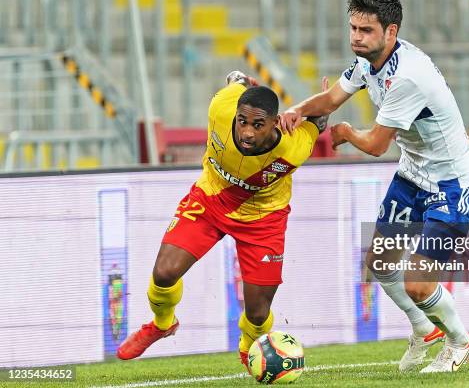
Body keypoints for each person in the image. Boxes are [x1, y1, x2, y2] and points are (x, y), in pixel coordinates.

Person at [280, 0, 469, 373]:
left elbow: (376, 144)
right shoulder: (368, 64)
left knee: (418, 284)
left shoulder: (407, 76)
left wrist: (343, 132)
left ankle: (460, 341)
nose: (356, 36)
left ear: (390, 32)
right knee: (380, 260)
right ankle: (424, 330)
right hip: (413, 174)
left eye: (366, 30)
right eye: (353, 28)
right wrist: (295, 109)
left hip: (453, 183)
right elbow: (329, 100)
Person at [117, 71, 330, 371]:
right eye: (243, 121)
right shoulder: (221, 107)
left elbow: (317, 124)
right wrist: (240, 80)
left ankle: (248, 346)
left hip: (263, 218)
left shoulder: (293, 147)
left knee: (257, 313)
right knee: (164, 272)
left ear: (274, 122)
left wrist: (322, 108)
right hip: (210, 199)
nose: (247, 132)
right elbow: (235, 82)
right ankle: (162, 323)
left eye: (258, 125)